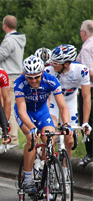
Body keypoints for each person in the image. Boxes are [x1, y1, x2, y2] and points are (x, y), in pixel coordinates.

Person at [14, 55, 72, 192]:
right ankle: (28, 178)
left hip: (41, 111)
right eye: (30, 77)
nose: (33, 80)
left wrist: (66, 124)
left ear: (42, 74)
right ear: (25, 75)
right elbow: (22, 111)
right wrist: (33, 128)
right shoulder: (19, 83)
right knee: (32, 137)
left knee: (50, 138)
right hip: (25, 113)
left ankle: (44, 170)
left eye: (36, 77)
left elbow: (63, 107)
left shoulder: (51, 80)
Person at [0, 15, 26, 148]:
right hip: (16, 74)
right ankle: (9, 137)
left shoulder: (9, 40)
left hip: (9, 76)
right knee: (10, 106)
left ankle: (12, 140)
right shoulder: (19, 39)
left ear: (4, 26)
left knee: (10, 107)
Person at [45, 45, 91, 158]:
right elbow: (46, 97)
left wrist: (85, 122)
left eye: (56, 63)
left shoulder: (82, 71)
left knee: (69, 139)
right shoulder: (48, 71)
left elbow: (86, 98)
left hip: (70, 101)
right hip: (53, 101)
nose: (52, 64)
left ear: (66, 64)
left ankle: (65, 171)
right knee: (51, 133)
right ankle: (47, 162)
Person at [77, 19, 93, 166]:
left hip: (89, 89)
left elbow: (87, 72)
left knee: (87, 120)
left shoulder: (87, 47)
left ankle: (90, 153)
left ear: (84, 33)